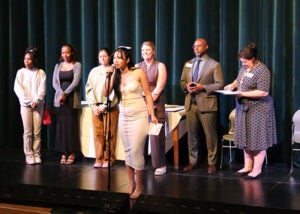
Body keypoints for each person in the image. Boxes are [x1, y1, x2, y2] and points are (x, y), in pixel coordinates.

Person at [104, 46, 158, 199]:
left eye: (119, 57)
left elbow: (147, 94)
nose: (116, 60)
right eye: (114, 58)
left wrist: (152, 114)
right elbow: (105, 93)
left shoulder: (138, 72)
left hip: (139, 116)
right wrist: (109, 76)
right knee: (127, 151)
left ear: (127, 59)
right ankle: (131, 184)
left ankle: (140, 184)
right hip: (124, 117)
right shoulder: (115, 75)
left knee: (136, 150)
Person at [224, 42, 277, 179]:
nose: (243, 64)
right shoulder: (244, 69)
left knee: (258, 138)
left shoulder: (262, 70)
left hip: (259, 109)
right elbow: (238, 80)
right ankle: (247, 166)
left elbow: (263, 92)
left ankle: (257, 169)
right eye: (242, 62)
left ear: (253, 58)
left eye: (246, 61)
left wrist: (242, 94)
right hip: (243, 108)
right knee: (245, 136)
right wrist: (231, 85)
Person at [180, 38, 224, 173]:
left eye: (199, 46)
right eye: (194, 46)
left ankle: (212, 162)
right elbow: (182, 81)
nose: (196, 48)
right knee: (191, 135)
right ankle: (192, 161)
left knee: (210, 135)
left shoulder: (214, 65)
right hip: (191, 103)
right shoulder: (188, 63)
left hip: (207, 104)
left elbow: (219, 83)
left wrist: (203, 87)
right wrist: (186, 87)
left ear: (206, 47)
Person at [136, 41, 167, 176]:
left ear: (153, 51)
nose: (145, 53)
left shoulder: (160, 66)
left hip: (155, 103)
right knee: (140, 136)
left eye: (148, 50)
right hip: (140, 105)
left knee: (155, 136)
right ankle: (140, 163)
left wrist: (150, 98)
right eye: (143, 51)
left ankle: (160, 164)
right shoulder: (137, 66)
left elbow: (159, 87)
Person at [85, 48, 119, 168]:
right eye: (100, 56)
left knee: (109, 134)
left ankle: (109, 158)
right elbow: (89, 89)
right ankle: (99, 158)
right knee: (97, 134)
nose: (102, 58)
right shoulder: (94, 71)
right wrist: (94, 106)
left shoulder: (114, 70)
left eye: (105, 56)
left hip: (109, 106)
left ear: (109, 57)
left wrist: (105, 105)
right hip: (96, 106)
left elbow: (115, 90)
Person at [14, 46, 46, 165]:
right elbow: (18, 89)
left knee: (37, 132)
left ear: (34, 60)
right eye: (25, 59)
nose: (26, 61)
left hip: (38, 105)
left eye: (29, 59)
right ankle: (29, 154)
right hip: (26, 105)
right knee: (28, 131)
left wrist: (37, 100)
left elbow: (42, 89)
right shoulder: (20, 72)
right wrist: (28, 101)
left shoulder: (40, 72)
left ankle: (37, 153)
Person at [52, 44, 82, 165]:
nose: (65, 55)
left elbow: (76, 82)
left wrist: (65, 94)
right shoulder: (58, 66)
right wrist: (60, 94)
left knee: (71, 127)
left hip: (71, 100)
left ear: (72, 53)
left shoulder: (77, 65)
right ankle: (63, 152)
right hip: (60, 100)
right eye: (63, 53)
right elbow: (54, 82)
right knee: (61, 127)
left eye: (67, 52)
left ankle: (72, 153)